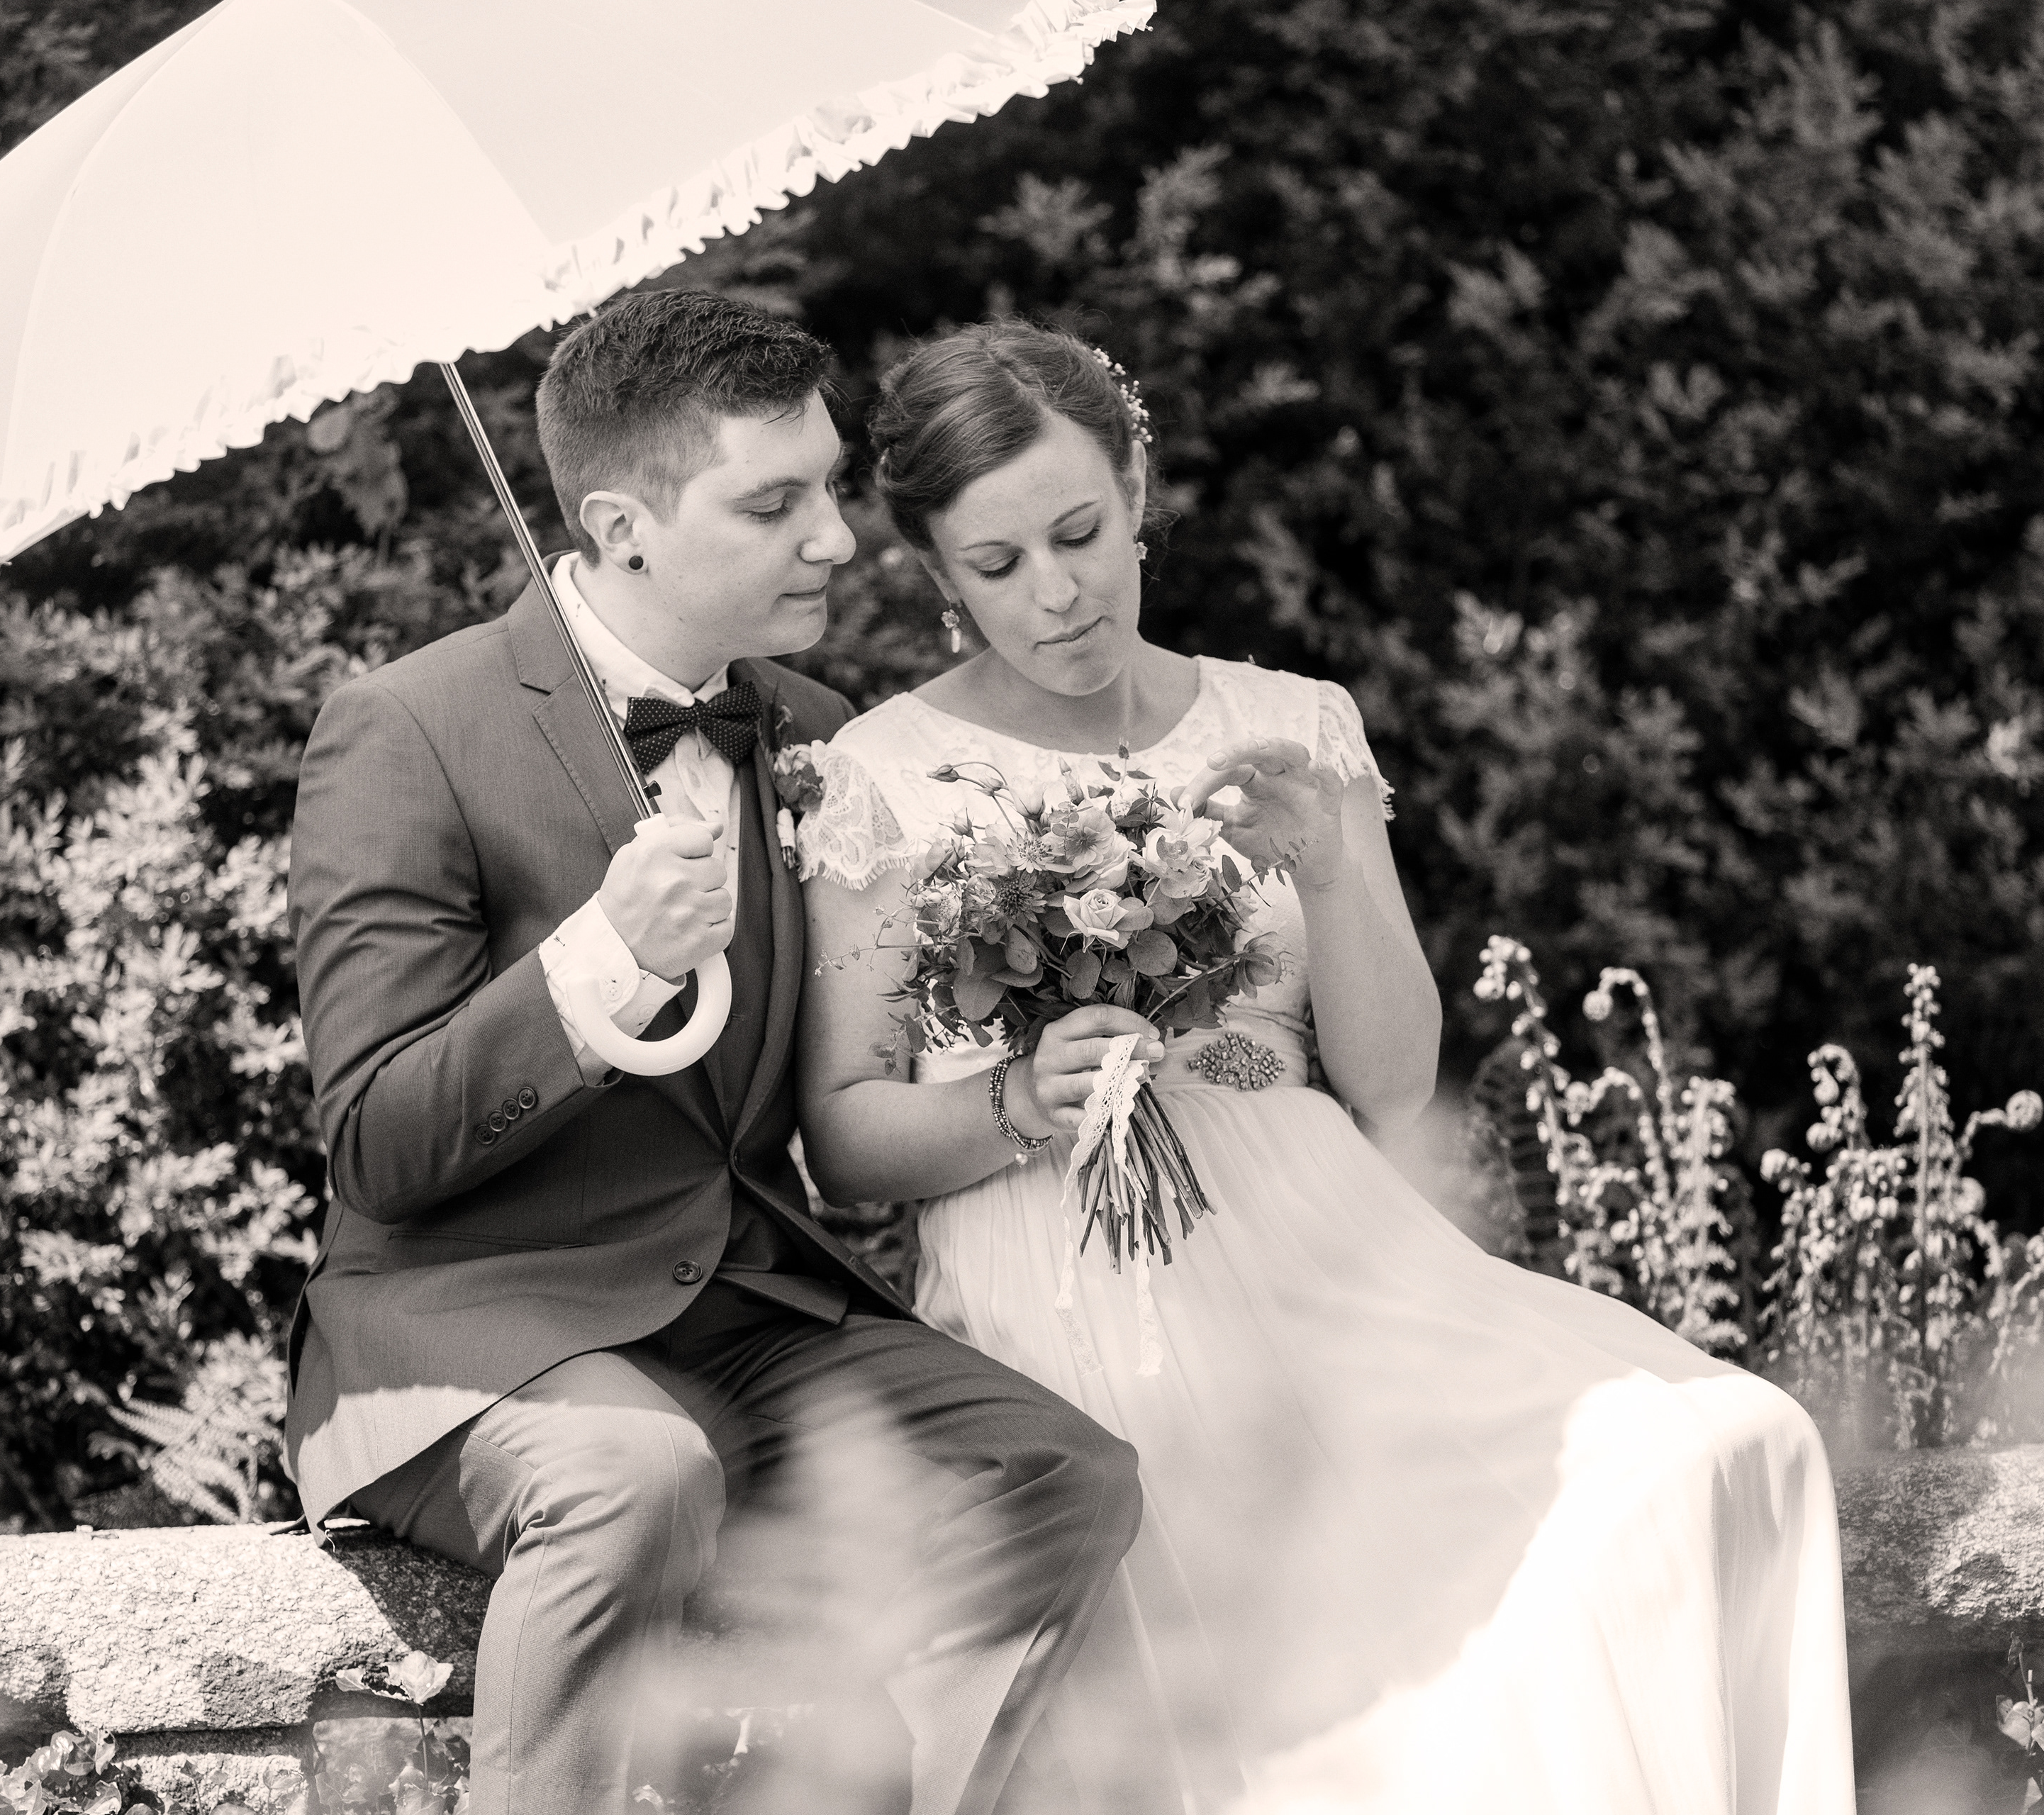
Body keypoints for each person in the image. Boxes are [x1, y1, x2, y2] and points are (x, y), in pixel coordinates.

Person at [793, 319, 1858, 1813]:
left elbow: (1393, 1084)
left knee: (1712, 1447)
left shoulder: (1293, 723)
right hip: (1077, 1277)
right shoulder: (881, 775)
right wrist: (1015, 1100)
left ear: (1138, 485)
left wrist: (1330, 867)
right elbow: (840, 1136)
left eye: (1082, 533)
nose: (1058, 592)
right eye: (999, 562)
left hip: (1337, 1247)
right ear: (936, 573)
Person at [282, 291, 1158, 1815]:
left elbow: (837, 1098)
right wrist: (602, 961)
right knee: (640, 1476)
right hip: (474, 1334)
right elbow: (374, 1141)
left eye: (828, 488)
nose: (837, 538)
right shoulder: (407, 728)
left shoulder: (812, 728)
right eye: (774, 504)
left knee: (1063, 1470)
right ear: (622, 527)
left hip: (743, 1308)